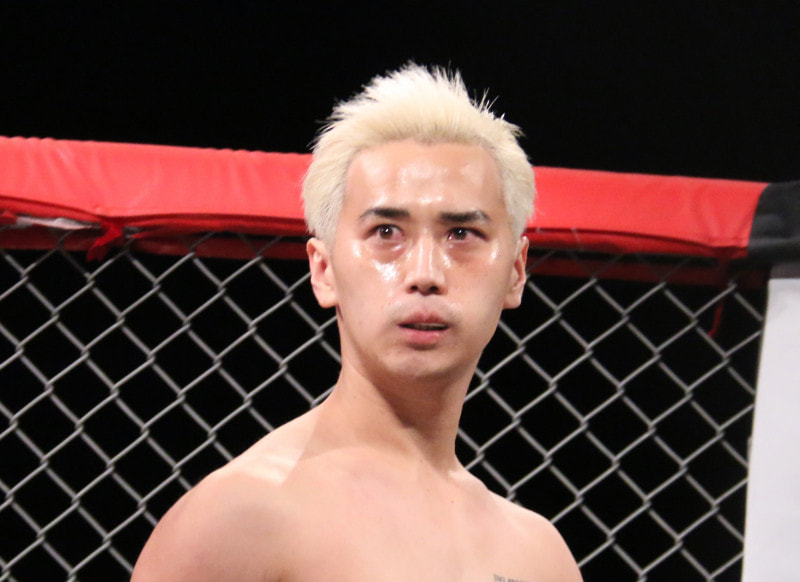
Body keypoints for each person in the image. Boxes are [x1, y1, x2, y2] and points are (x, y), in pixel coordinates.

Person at [131, 63, 583, 582]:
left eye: (461, 234)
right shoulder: (240, 520)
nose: (425, 273)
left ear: (516, 272)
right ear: (323, 271)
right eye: (386, 232)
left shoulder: (539, 555)